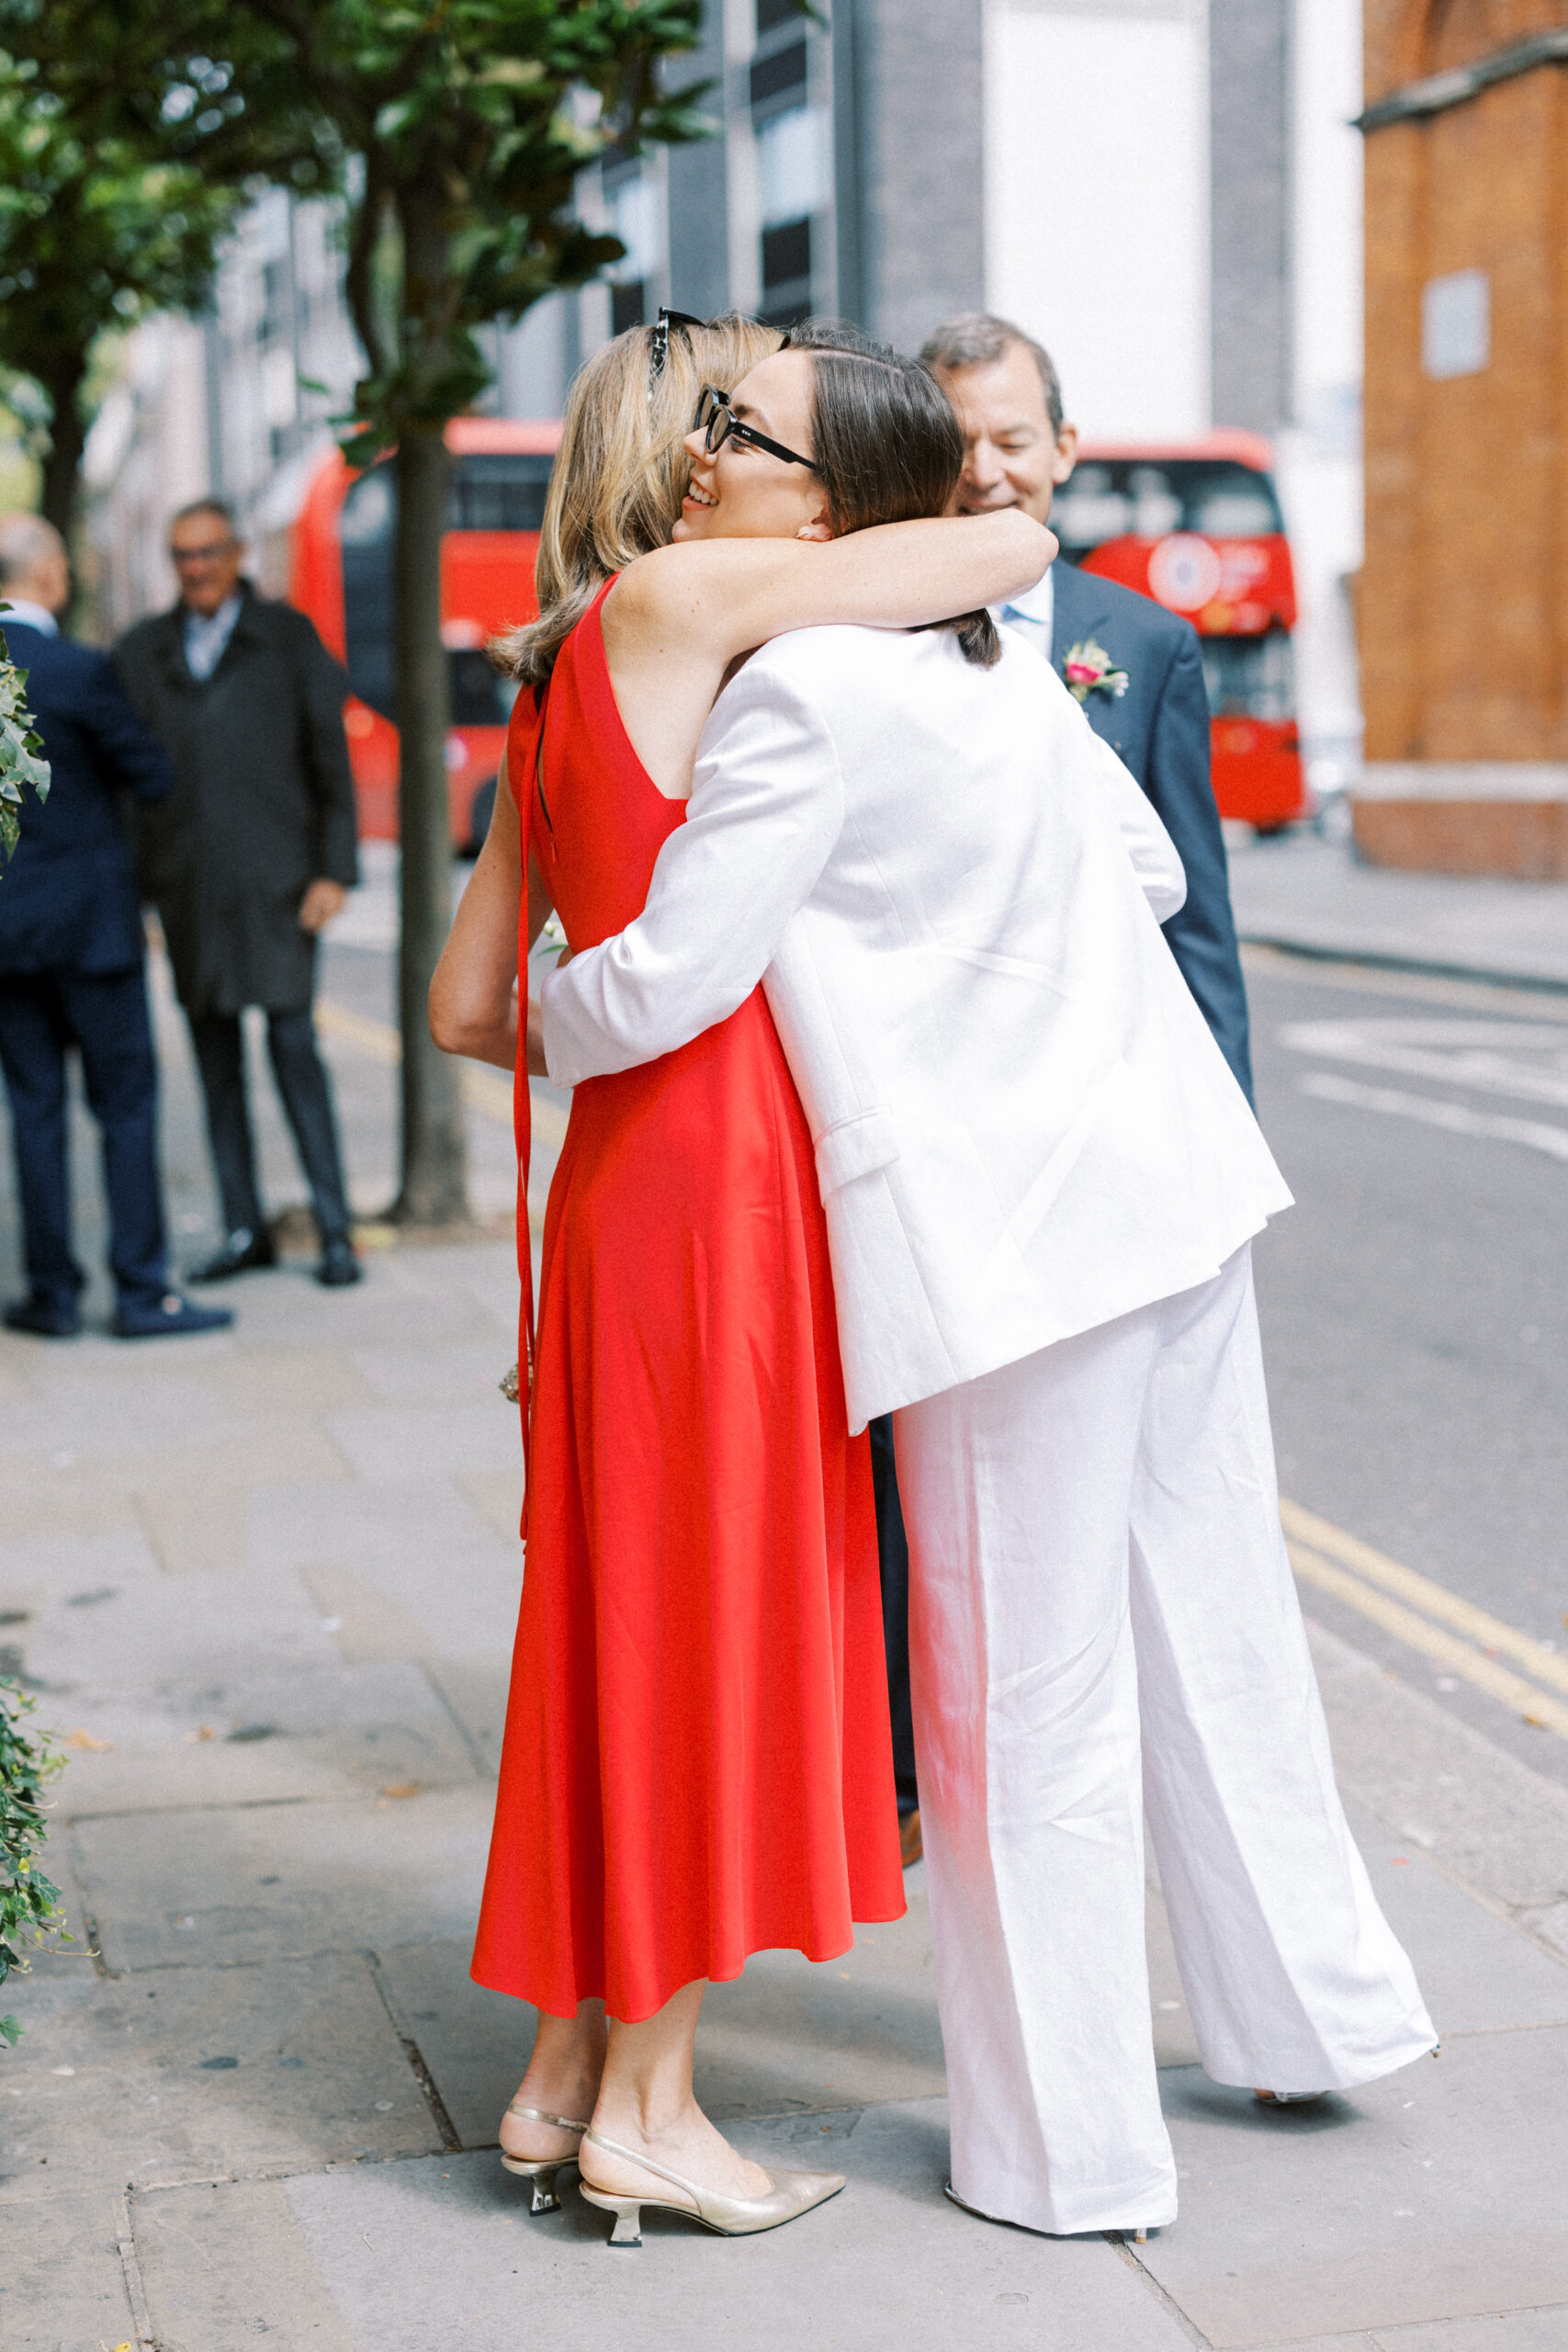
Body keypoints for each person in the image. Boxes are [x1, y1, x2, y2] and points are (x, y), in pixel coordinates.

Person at [538, 323, 1437, 2241]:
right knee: (1219, 1627)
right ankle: (1303, 2018)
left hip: (1001, 1242)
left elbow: (673, 977)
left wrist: (540, 997)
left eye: (749, 431)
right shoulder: (995, 658)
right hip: (1167, 1177)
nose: (711, 453)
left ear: (828, 493)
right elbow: (1152, 878)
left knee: (1020, 1700)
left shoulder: (795, 697)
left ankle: (1067, 2153)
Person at [428, 312, 1047, 2245]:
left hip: (620, 1187)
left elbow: (464, 1003)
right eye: (713, 424)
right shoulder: (699, 596)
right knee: (710, 1627)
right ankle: (651, 2112)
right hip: (725, 1186)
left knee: (620, 1625)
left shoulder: (564, 663)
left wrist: (591, 1012)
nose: (721, 454)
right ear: (669, 467)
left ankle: (559, 2070)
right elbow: (1005, 545)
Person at [865, 310, 1262, 1864]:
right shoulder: (860, 634)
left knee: (1126, 1512)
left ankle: (1098, 1800)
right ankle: (912, 1778)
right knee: (940, 1504)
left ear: (1063, 451)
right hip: (943, 1151)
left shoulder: (1136, 643)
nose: (983, 469)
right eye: (953, 438)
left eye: (1011, 438)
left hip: (1109, 1150)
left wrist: (1220, 1149)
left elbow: (1198, 925)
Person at [115, 500, 362, 1288]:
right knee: (214, 1064)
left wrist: (334, 871)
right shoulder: (144, 652)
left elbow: (332, 764)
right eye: (182, 556)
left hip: (282, 887)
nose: (196, 569)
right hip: (188, 892)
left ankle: (334, 1231)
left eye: (208, 552)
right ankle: (241, 1227)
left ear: (237, 553)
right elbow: (129, 790)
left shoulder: (287, 638)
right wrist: (139, 895)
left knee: (295, 1052)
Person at [0, 514, 232, 1340]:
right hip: (91, 933)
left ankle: (51, 1295)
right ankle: (141, 1292)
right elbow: (152, 773)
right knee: (126, 1106)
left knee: (33, 1110)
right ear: (52, 575)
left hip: (7, 939)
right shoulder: (78, 669)